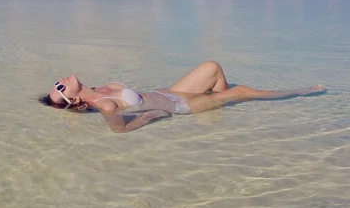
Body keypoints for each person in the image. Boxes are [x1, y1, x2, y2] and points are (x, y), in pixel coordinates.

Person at [39, 60, 326, 133]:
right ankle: (303, 91)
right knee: (242, 92)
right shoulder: (105, 105)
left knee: (212, 67)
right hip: (180, 104)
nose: (61, 82)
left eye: (57, 83)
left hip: (168, 92)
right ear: (73, 100)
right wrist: (152, 116)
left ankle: (219, 110)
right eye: (60, 88)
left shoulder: (101, 89)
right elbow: (119, 129)